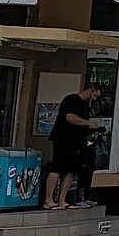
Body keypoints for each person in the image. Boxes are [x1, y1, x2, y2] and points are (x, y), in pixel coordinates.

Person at [43, 82, 102, 211]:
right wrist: (87, 123)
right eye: (94, 95)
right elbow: (70, 117)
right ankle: (48, 200)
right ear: (89, 90)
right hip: (63, 139)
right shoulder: (72, 99)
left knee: (71, 171)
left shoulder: (86, 105)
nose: (94, 98)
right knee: (57, 167)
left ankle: (62, 200)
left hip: (78, 142)